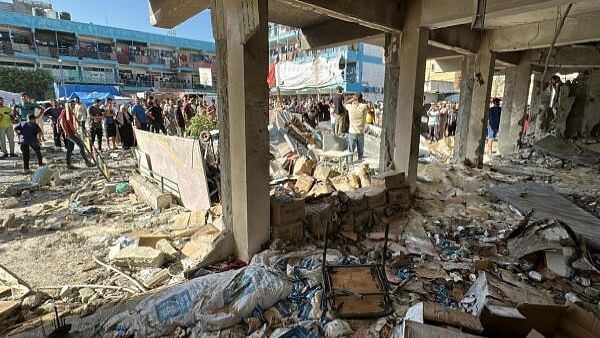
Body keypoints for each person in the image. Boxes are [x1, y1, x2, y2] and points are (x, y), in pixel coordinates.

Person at [59, 100, 93, 169]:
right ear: (68, 105)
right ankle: (87, 162)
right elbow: (62, 122)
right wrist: (66, 132)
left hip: (72, 132)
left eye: (74, 105)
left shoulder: (71, 112)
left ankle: (68, 164)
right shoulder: (65, 111)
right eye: (72, 105)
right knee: (81, 145)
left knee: (70, 148)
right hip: (69, 133)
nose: (73, 106)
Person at [344, 93, 368, 163]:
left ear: (354, 99)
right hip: (361, 132)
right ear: (361, 99)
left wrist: (352, 100)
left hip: (352, 132)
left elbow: (344, 103)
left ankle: (350, 164)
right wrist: (362, 101)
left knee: (350, 151)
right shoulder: (364, 106)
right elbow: (369, 108)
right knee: (360, 151)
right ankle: (360, 164)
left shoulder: (350, 107)